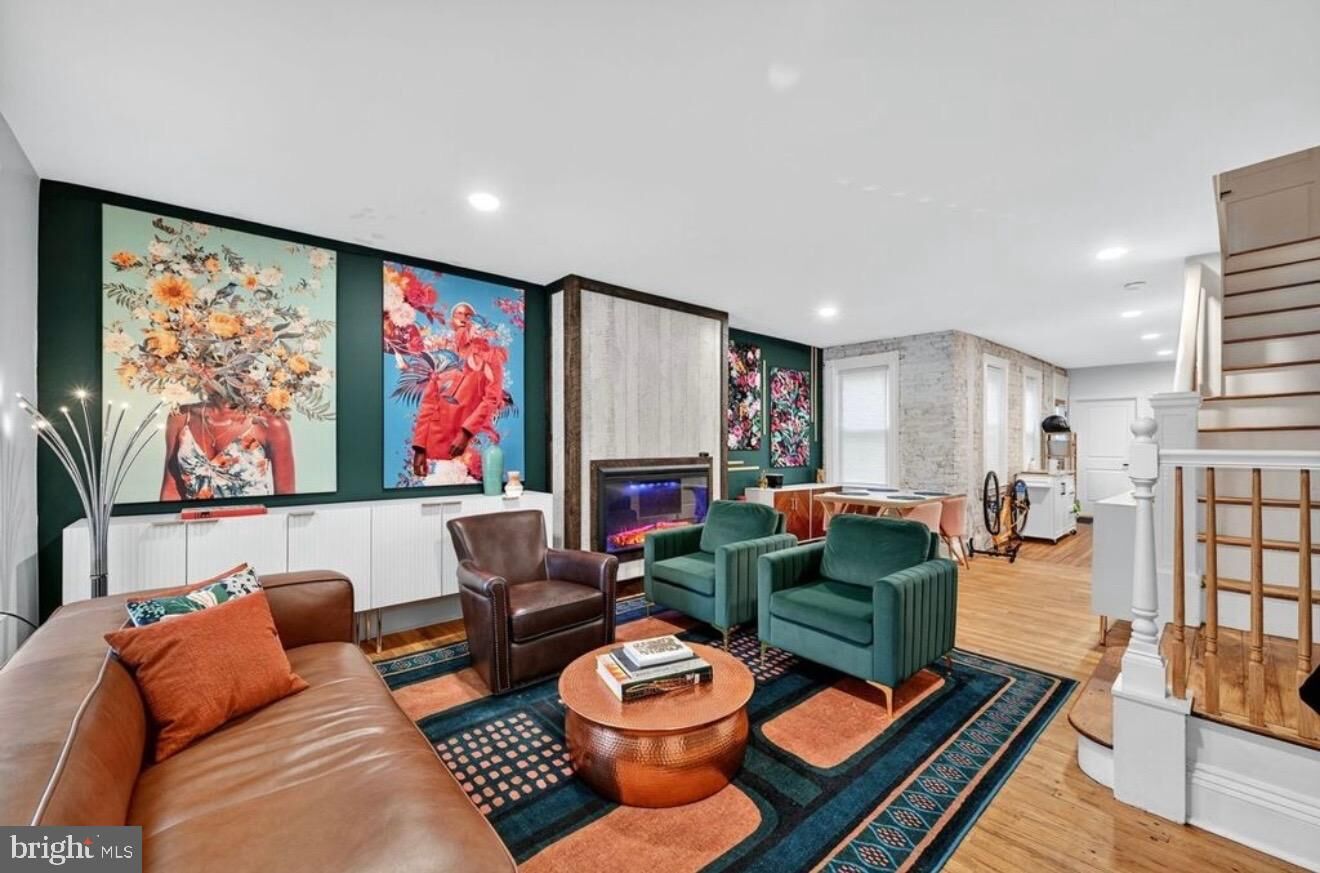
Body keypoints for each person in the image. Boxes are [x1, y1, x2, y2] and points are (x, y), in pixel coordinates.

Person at [411, 302, 507, 480]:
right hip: (435, 443)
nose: (463, 319)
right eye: (458, 314)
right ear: (451, 321)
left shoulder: (490, 356)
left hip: (467, 443)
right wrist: (420, 448)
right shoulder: (441, 354)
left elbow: (491, 399)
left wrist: (466, 433)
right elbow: (429, 403)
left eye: (468, 315)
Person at [160, 404, 294, 500]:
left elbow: (285, 498)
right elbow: (171, 489)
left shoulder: (269, 423)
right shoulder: (181, 417)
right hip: (196, 526)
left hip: (250, 526)